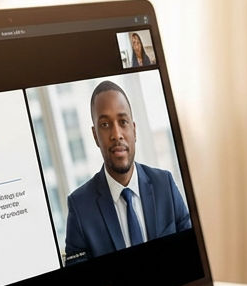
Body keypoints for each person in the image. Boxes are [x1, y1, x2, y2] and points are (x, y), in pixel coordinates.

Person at [64, 80, 190, 263]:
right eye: (105, 125)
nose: (116, 134)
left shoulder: (165, 184)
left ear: (134, 130)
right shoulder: (79, 207)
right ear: (95, 136)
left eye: (123, 122)